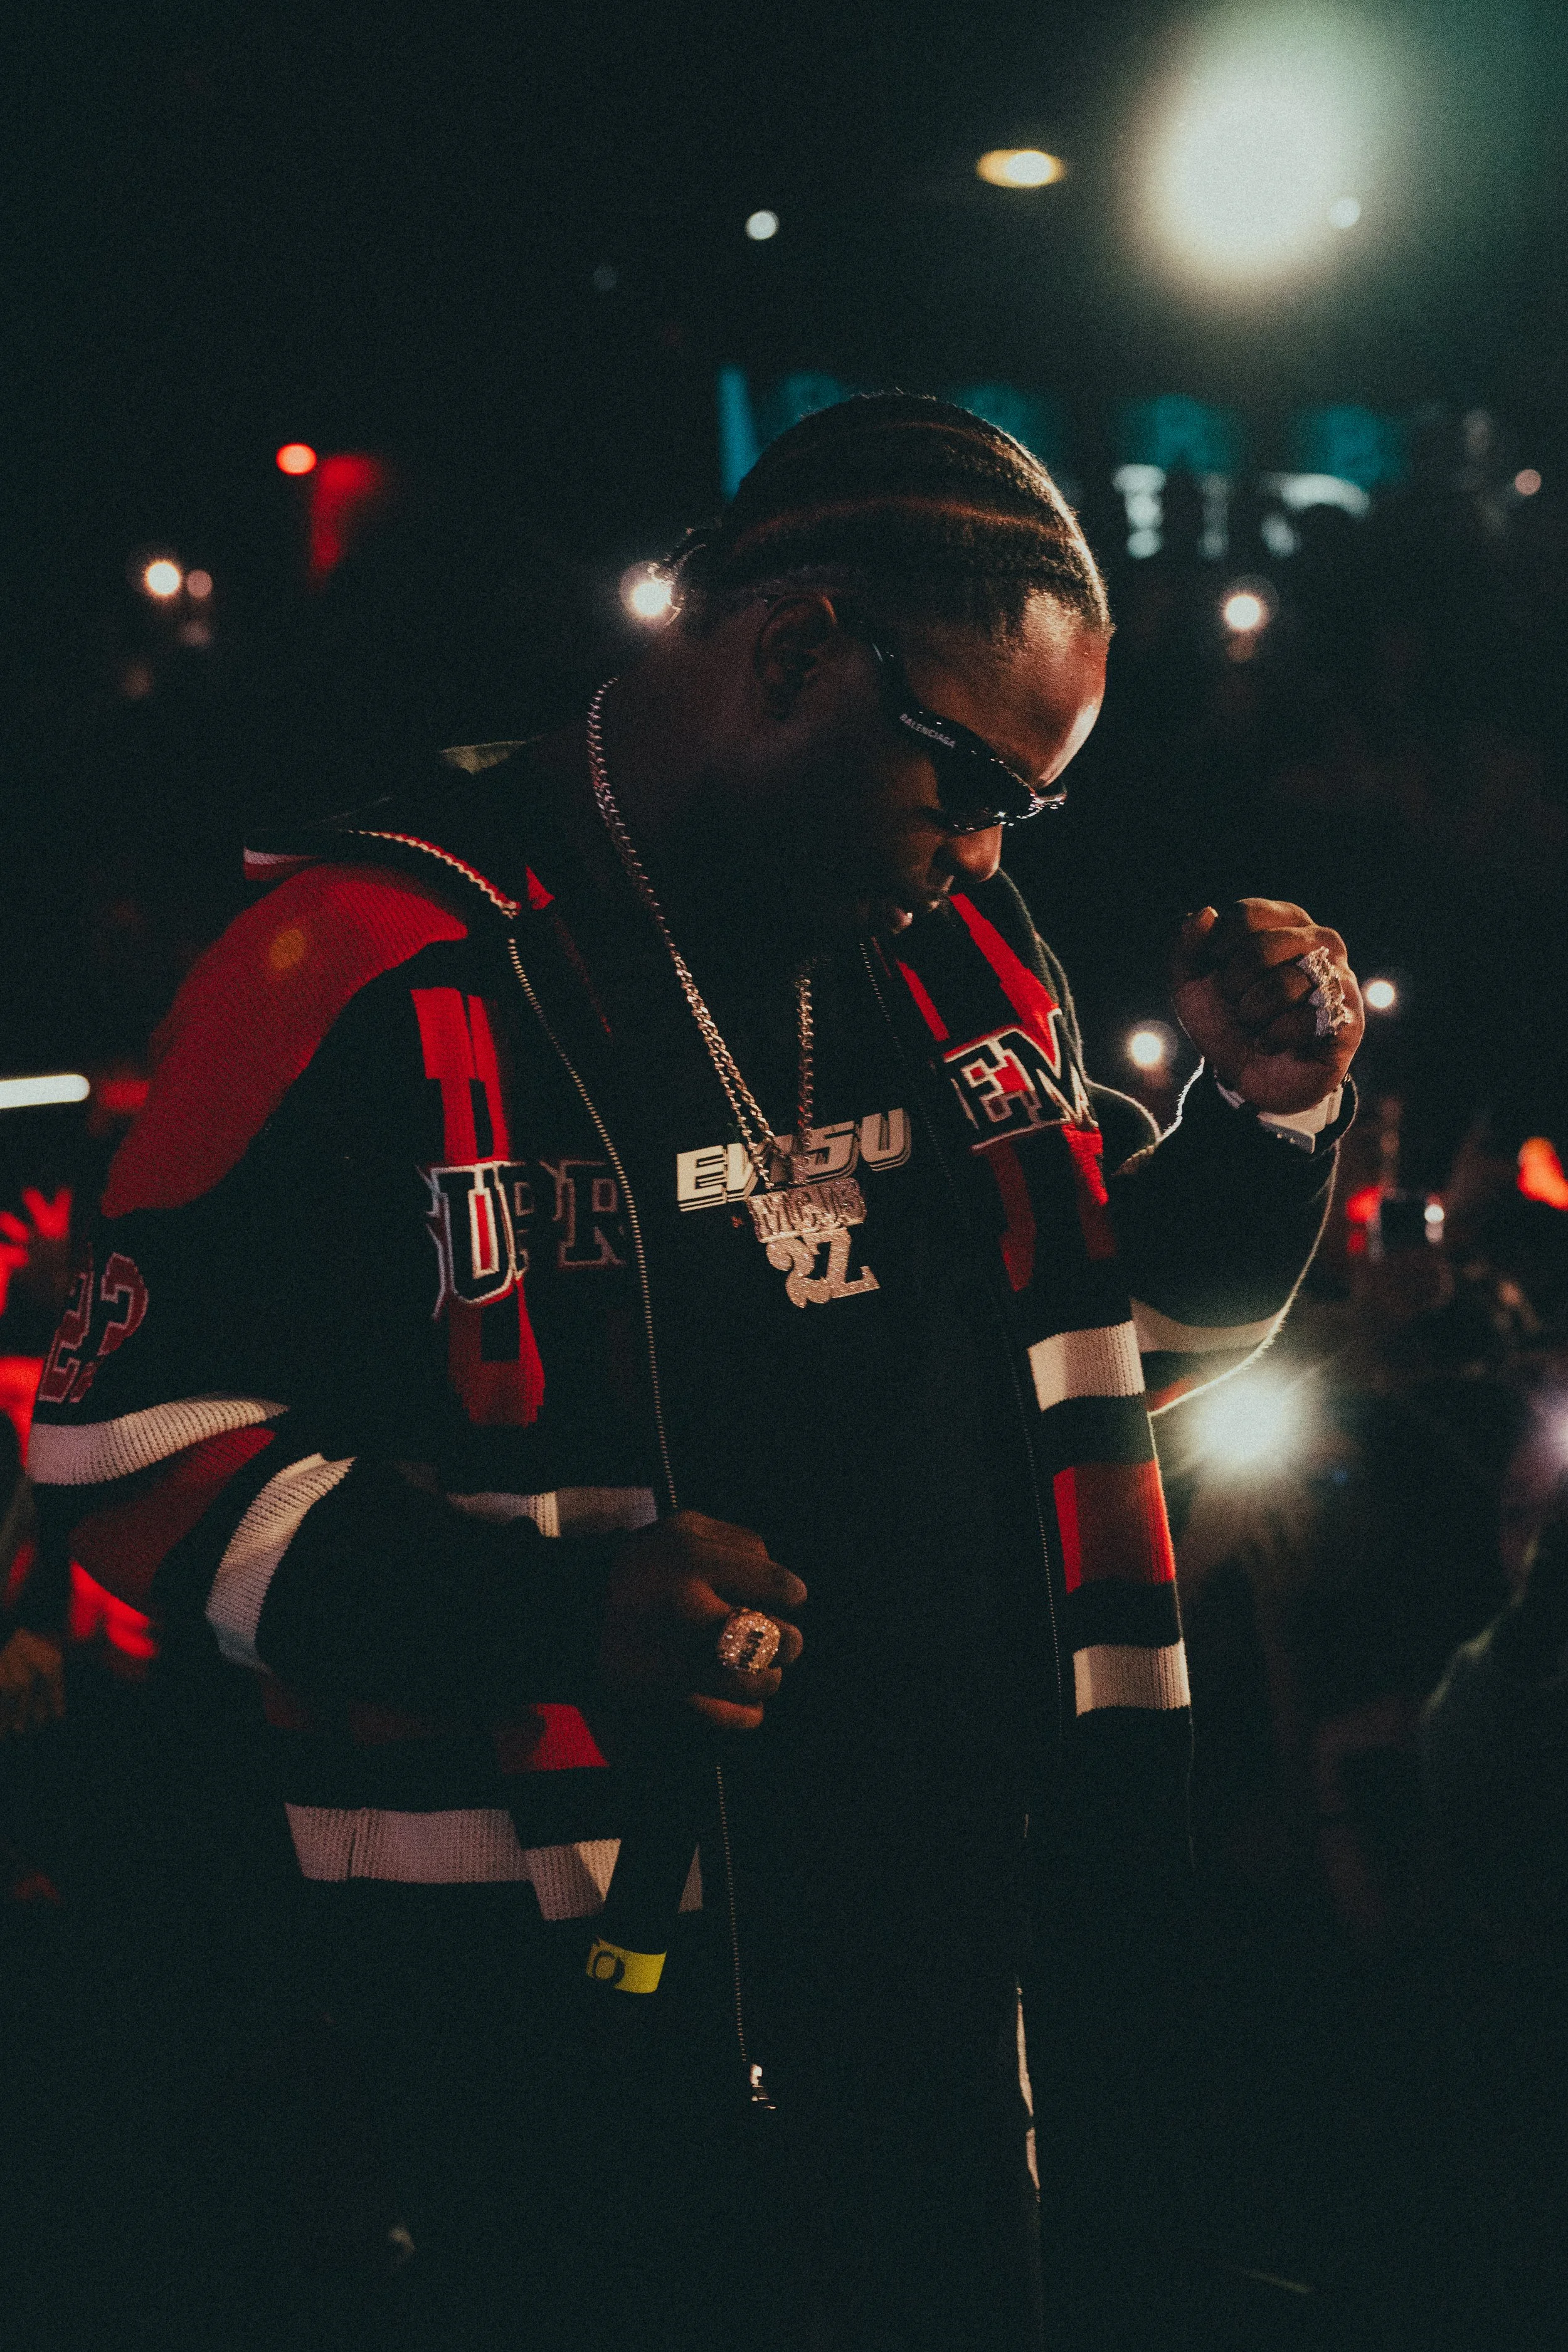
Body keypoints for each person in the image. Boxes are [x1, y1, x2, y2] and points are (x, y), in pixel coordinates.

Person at [29, 395, 1362, 2350]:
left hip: (927, 1952)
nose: (989, 843)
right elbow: (123, 1450)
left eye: (1026, 801)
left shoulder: (954, 954)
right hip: (535, 2002)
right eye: (969, 773)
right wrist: (555, 1614)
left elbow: (1098, 1361)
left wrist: (1264, 1121)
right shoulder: (361, 959)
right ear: (789, 652)